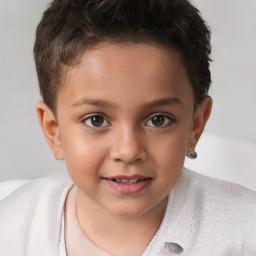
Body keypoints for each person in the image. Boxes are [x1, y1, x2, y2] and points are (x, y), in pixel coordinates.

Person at [0, 0, 255, 255]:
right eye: (96, 120)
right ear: (53, 130)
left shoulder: (244, 231)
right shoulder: (12, 230)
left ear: (195, 126)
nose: (128, 150)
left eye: (158, 120)